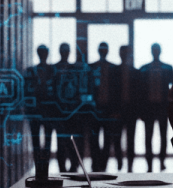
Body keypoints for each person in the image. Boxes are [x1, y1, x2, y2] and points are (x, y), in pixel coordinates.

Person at [139, 43, 173, 171]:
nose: (155, 52)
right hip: (149, 107)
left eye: (156, 50)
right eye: (154, 50)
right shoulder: (144, 69)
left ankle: (161, 160)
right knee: (149, 136)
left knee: (162, 135)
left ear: (159, 51)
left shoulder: (167, 68)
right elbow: (140, 92)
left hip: (162, 107)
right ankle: (149, 162)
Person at [24, 44, 54, 176]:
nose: (43, 55)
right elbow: (26, 91)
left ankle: (44, 169)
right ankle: (39, 169)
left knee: (46, 142)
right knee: (37, 142)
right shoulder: (31, 71)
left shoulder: (52, 70)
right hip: (36, 112)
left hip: (48, 112)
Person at [88, 41, 119, 171]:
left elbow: (117, 91)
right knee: (94, 137)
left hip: (108, 108)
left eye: (104, 49)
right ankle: (95, 163)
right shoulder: (91, 67)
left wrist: (115, 109)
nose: (103, 51)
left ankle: (103, 164)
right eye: (101, 49)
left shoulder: (114, 68)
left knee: (107, 138)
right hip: (94, 108)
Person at [52, 42, 81, 173]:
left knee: (71, 140)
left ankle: (74, 165)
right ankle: (62, 168)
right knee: (61, 140)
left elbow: (78, 88)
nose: (65, 53)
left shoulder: (74, 69)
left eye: (66, 51)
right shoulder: (54, 69)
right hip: (59, 110)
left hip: (72, 110)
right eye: (63, 51)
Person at [114, 44, 140, 172]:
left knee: (130, 138)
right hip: (119, 109)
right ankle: (119, 162)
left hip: (131, 110)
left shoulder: (135, 72)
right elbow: (111, 92)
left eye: (126, 53)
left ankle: (129, 163)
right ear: (120, 54)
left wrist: (138, 111)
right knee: (117, 138)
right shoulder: (115, 71)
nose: (124, 55)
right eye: (123, 53)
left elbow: (139, 94)